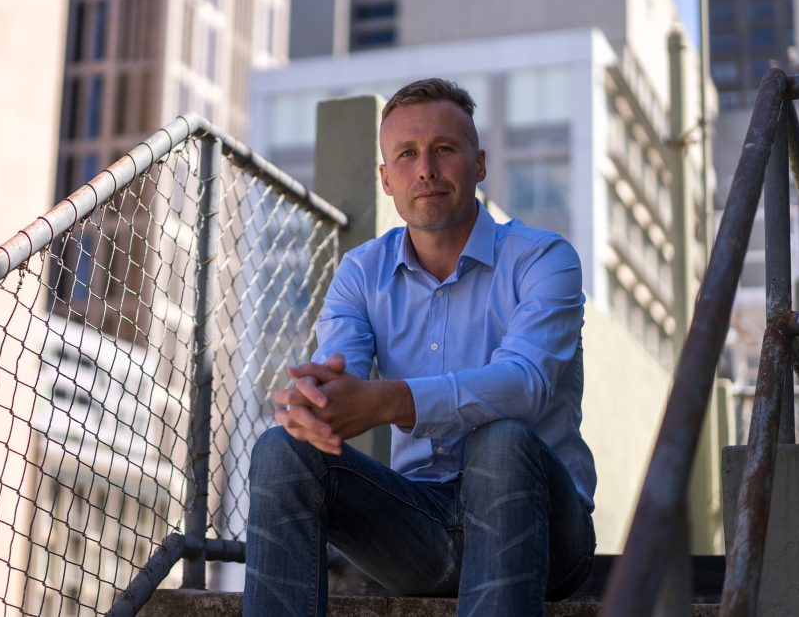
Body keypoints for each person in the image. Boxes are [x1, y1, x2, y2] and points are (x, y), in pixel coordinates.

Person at [243, 78, 597, 617]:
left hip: (544, 529)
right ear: (386, 178)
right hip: (418, 529)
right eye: (407, 154)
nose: (426, 169)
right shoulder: (362, 272)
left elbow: (526, 385)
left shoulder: (543, 259)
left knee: (500, 440)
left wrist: (389, 400)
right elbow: (341, 379)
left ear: (479, 164)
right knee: (279, 449)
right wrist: (315, 403)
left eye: (444, 149)